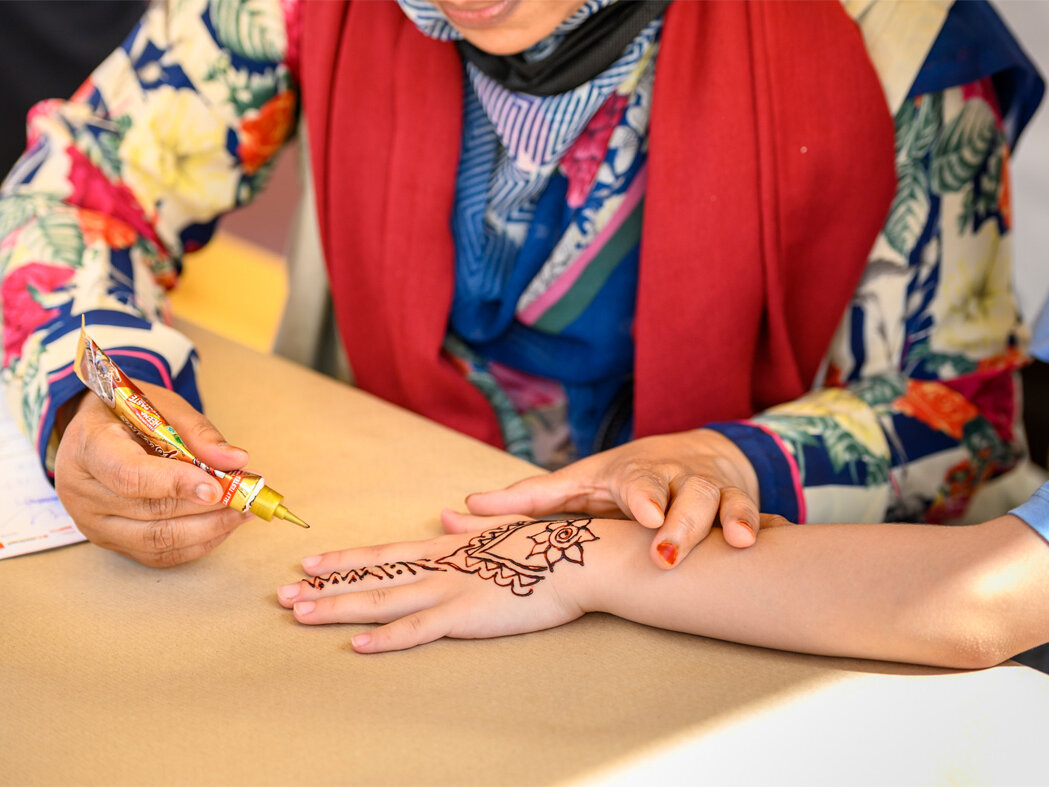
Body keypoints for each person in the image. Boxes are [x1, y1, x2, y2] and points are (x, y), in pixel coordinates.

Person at [0, 0, 1044, 570]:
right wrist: (90, 389)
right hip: (367, 542)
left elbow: (957, 406)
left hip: (732, 606)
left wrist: (732, 460)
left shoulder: (891, 33)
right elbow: (76, 193)